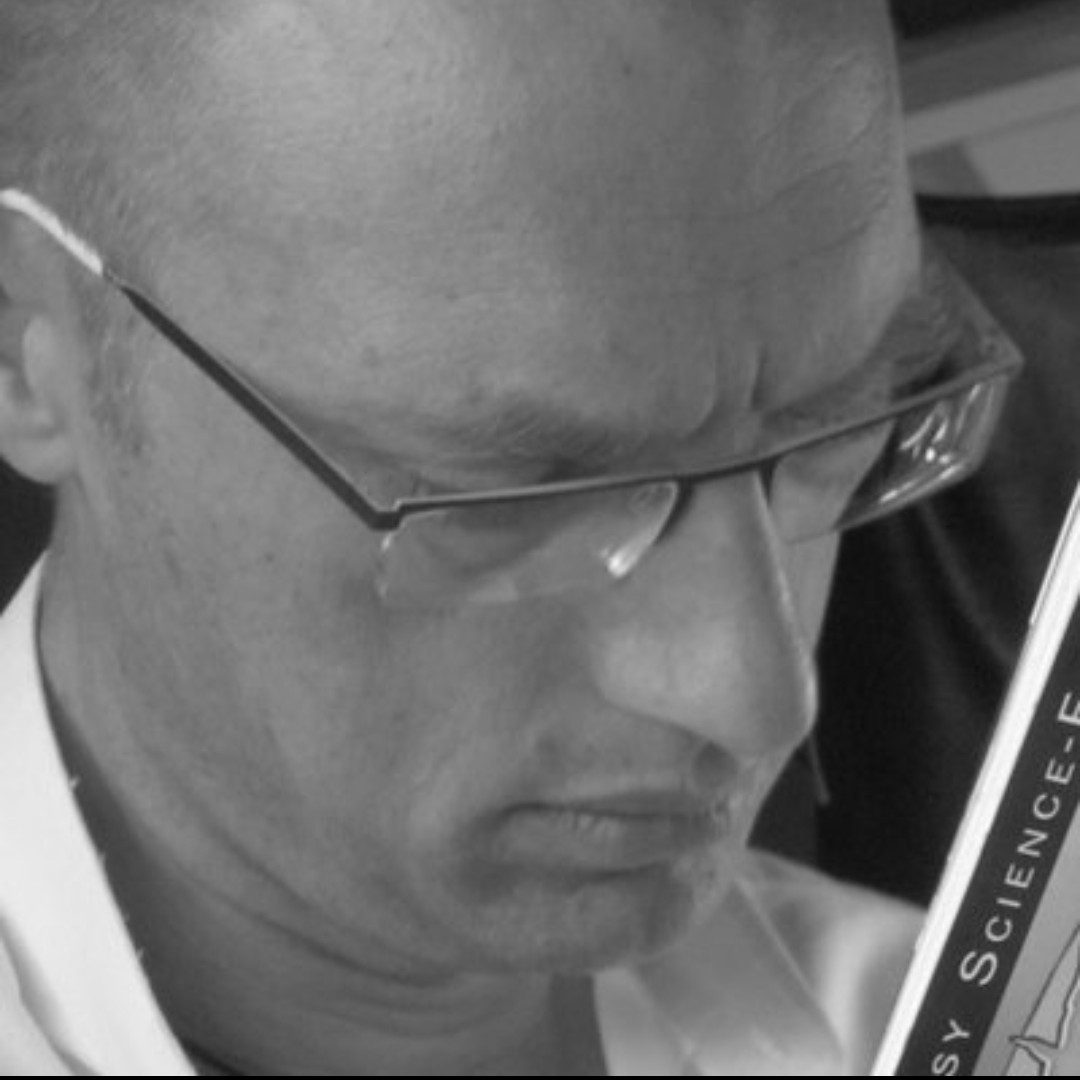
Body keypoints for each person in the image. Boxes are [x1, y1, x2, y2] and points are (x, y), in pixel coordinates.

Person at [0, 1, 1020, 1074]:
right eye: (514, 490)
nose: (755, 695)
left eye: (839, 424)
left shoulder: (963, 1026)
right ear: (26, 346)